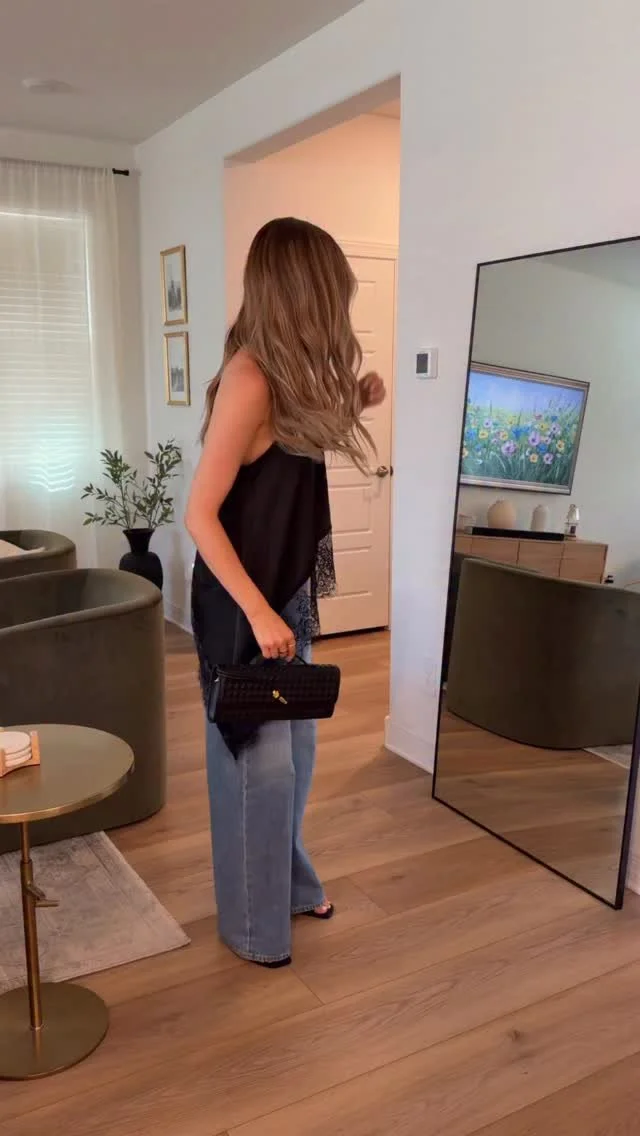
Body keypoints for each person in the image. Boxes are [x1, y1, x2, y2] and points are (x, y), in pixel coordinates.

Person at [186, 217, 386, 968]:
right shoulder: (248, 379)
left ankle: (292, 887)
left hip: (283, 599)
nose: (340, 307)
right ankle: (252, 929)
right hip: (246, 607)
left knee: (291, 762)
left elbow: (287, 454)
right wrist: (260, 611)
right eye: (333, 291)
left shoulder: (286, 377)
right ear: (303, 291)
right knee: (257, 769)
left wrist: (353, 403)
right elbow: (199, 515)